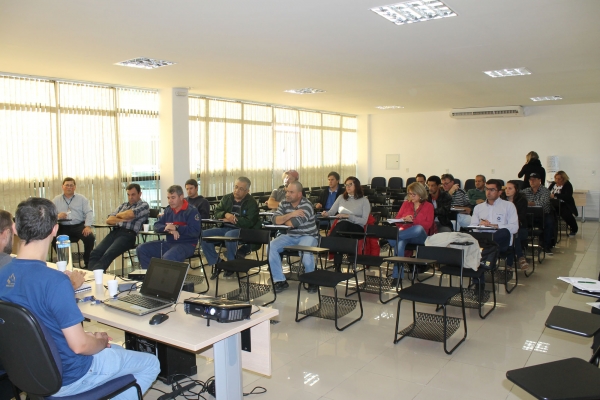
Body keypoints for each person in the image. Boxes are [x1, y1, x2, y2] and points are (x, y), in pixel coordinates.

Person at [0, 197, 159, 399]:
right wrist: (99, 341)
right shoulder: (55, 281)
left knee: (115, 350)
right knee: (150, 363)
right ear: (55, 230)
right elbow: (80, 346)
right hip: (72, 376)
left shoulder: (2, 274)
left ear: (15, 229)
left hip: (28, 373)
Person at [202, 177, 260, 280]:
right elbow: (217, 212)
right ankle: (218, 263)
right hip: (225, 228)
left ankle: (231, 265)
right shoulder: (227, 198)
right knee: (204, 234)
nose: (237, 190)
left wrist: (233, 219)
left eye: (241, 189)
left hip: (243, 230)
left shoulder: (251, 203)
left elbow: (249, 222)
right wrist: (226, 214)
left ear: (247, 191)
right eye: (236, 187)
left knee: (230, 235)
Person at [268, 182, 319, 293]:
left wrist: (284, 219)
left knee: (305, 252)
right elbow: (275, 219)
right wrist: (291, 214)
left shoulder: (306, 205)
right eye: (287, 191)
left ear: (299, 194)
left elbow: (293, 224)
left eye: (291, 192)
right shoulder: (284, 203)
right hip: (291, 236)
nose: (287, 194)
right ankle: (280, 281)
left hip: (308, 236)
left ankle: (312, 280)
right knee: (271, 246)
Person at [87, 184, 149, 272]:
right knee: (95, 252)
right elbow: (109, 220)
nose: (130, 197)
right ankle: (92, 276)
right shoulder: (123, 205)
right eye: (128, 194)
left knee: (108, 254)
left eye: (133, 194)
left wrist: (118, 216)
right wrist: (123, 218)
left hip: (128, 235)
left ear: (140, 194)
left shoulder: (144, 205)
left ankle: (95, 276)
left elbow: (131, 214)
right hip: (115, 232)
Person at [136, 185, 201, 268]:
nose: (170, 201)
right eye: (168, 198)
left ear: (181, 197)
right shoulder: (168, 211)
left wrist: (177, 227)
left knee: (168, 257)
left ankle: (167, 280)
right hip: (169, 243)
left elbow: (195, 231)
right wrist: (169, 230)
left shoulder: (191, 211)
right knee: (141, 249)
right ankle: (151, 277)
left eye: (173, 197)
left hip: (187, 244)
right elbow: (156, 225)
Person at [471, 179, 519, 289]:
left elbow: (515, 228)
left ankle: (479, 276)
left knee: (503, 232)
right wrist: (480, 224)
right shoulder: (478, 208)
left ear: (499, 192)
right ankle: (481, 275)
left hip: (501, 241)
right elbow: (473, 227)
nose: (488, 192)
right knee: (470, 237)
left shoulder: (509, 206)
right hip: (484, 239)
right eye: (487, 189)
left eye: (492, 190)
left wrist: (496, 226)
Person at [388, 182, 433, 285]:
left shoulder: (428, 206)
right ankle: (397, 276)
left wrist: (412, 221)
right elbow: (396, 220)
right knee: (400, 243)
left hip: (420, 236)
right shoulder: (406, 203)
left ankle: (392, 238)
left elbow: (428, 225)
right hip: (405, 233)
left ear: (420, 193)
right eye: (409, 194)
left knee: (418, 228)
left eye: (414, 194)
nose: (411, 196)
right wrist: (403, 219)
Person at [322, 176, 371, 269]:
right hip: (341, 229)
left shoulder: (364, 200)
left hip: (357, 229)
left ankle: (327, 244)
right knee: (339, 238)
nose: (347, 187)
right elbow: (332, 212)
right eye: (346, 185)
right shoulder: (341, 197)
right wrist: (326, 214)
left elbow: (364, 221)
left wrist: (348, 216)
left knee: (342, 225)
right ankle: (337, 267)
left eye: (350, 184)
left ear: (356, 186)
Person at [52, 177, 95, 267]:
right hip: (63, 226)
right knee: (53, 238)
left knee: (90, 237)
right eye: (67, 185)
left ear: (75, 187)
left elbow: (89, 212)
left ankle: (88, 263)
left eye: (71, 185)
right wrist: (58, 216)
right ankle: (65, 263)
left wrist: (87, 226)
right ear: (62, 187)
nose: (69, 187)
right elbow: (50, 215)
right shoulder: (56, 200)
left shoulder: (81, 199)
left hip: (78, 226)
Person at [521, 171, 555, 254]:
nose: (532, 181)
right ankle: (522, 245)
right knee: (519, 222)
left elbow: (542, 203)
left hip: (543, 214)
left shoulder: (545, 191)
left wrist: (528, 203)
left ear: (539, 180)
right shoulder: (525, 191)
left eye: (534, 179)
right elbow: (519, 200)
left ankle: (546, 246)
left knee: (549, 223)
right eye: (530, 180)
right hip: (528, 215)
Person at [502, 181, 530, 270]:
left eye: (510, 188)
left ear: (516, 190)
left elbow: (521, 217)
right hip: (505, 227)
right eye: (506, 188)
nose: (507, 190)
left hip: (521, 228)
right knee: (512, 234)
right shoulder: (501, 200)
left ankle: (509, 264)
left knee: (514, 234)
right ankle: (520, 257)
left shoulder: (522, 201)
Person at [549, 170, 578, 236]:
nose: (557, 180)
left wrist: (556, 195)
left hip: (564, 204)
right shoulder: (553, 184)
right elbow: (548, 191)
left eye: (559, 179)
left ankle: (574, 229)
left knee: (566, 214)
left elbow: (567, 196)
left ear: (563, 179)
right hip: (553, 203)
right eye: (556, 178)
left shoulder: (567, 185)